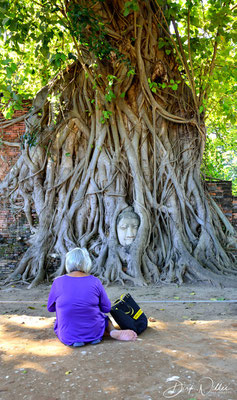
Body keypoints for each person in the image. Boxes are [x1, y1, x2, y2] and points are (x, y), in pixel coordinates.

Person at [47, 247, 137, 346]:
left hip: (67, 335)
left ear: (68, 263)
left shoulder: (58, 282)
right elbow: (106, 308)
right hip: (95, 332)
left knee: (59, 320)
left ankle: (77, 338)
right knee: (104, 318)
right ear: (87, 263)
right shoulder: (95, 281)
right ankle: (111, 331)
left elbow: (50, 308)